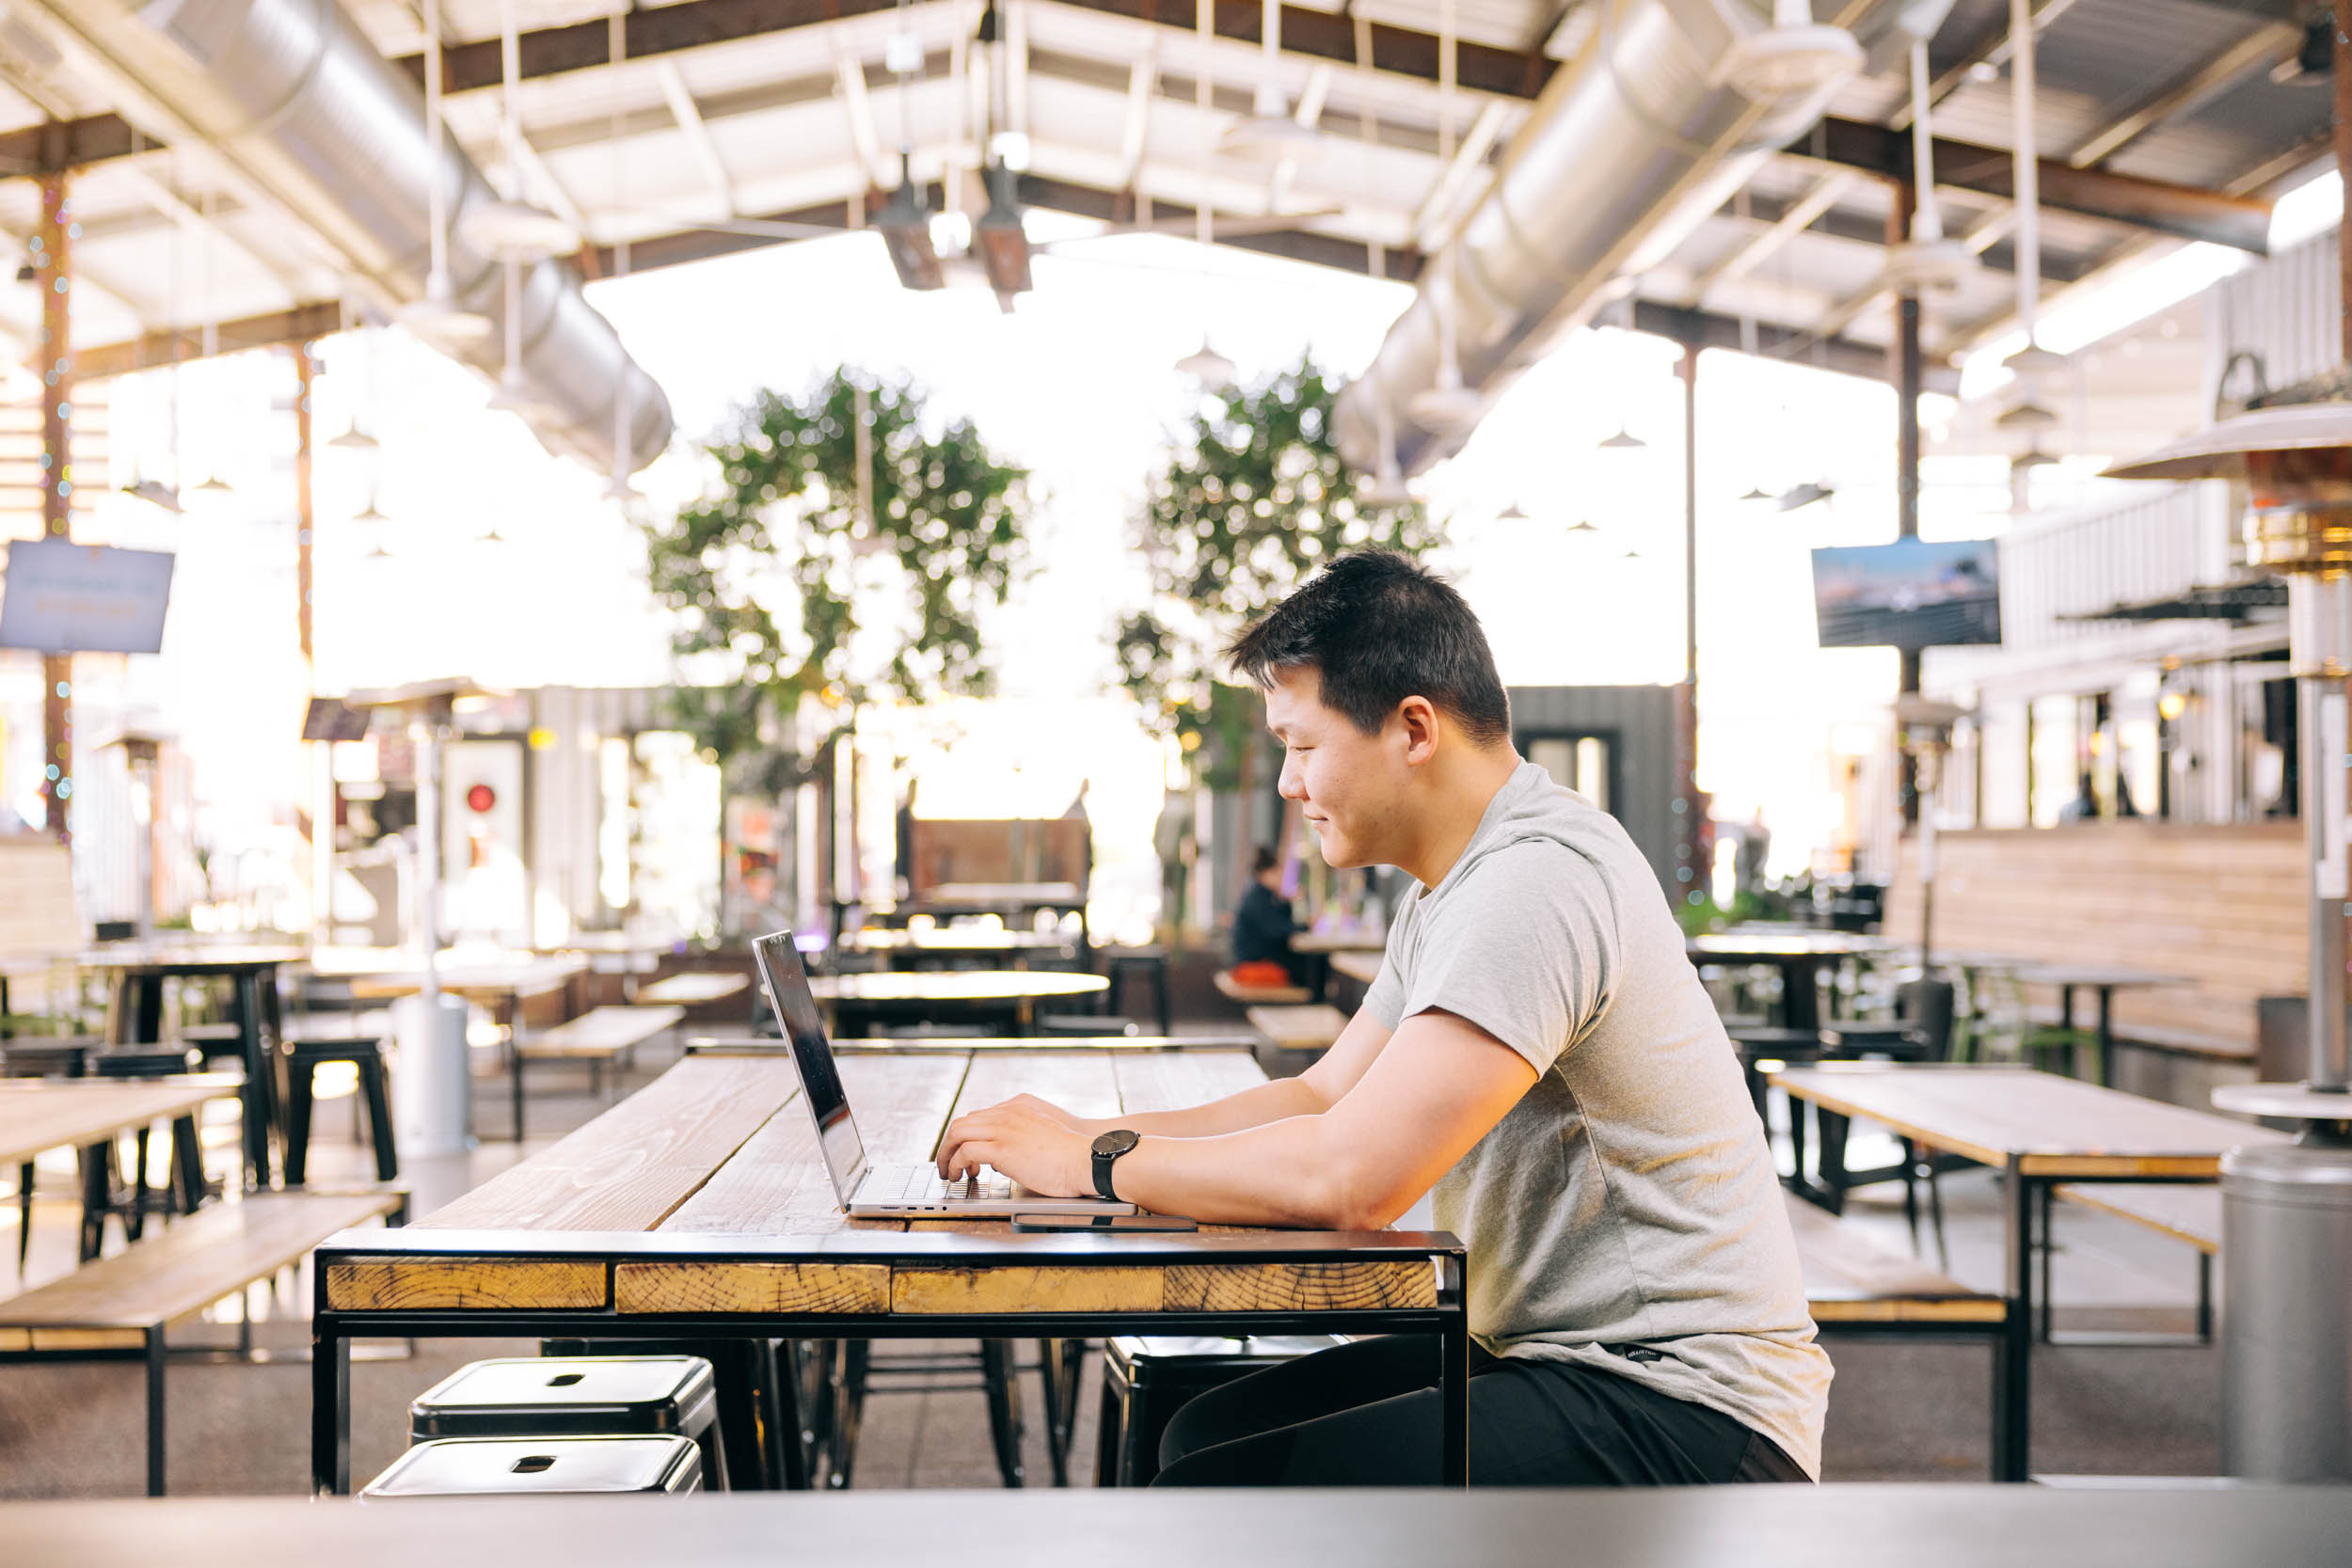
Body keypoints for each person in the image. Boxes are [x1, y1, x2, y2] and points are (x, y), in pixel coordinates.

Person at [934, 549, 1827, 1487]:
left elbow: (1348, 1175)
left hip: (1686, 1410)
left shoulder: (1535, 880)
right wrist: (1076, 1134)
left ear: (1412, 728)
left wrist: (1092, 1162)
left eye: (1303, 744)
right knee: (1196, 1433)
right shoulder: (1456, 886)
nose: (1286, 780)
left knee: (1218, 1491)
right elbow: (1319, 1093)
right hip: (1558, 1358)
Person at [1230, 846, 1303, 986]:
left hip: (1254, 960)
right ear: (1265, 874)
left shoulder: (1262, 896)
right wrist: (1304, 927)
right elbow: (1277, 930)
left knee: (1304, 963)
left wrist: (1286, 901)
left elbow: (1280, 924)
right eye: (1277, 872)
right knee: (1305, 967)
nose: (1281, 877)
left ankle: (1315, 1003)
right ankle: (1314, 1003)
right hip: (1252, 965)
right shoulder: (1258, 899)